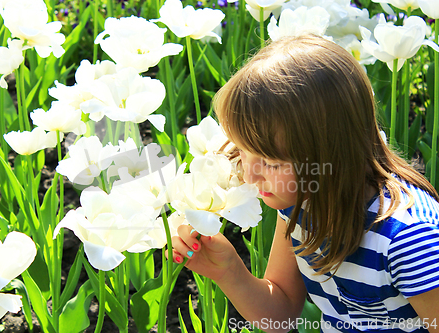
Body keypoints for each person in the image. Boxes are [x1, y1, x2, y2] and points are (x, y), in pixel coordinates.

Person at [170, 34, 439, 333]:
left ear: (332, 153)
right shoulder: (301, 204)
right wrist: (230, 272)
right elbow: (280, 314)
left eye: (271, 162)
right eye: (243, 152)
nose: (250, 174)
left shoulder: (409, 241)